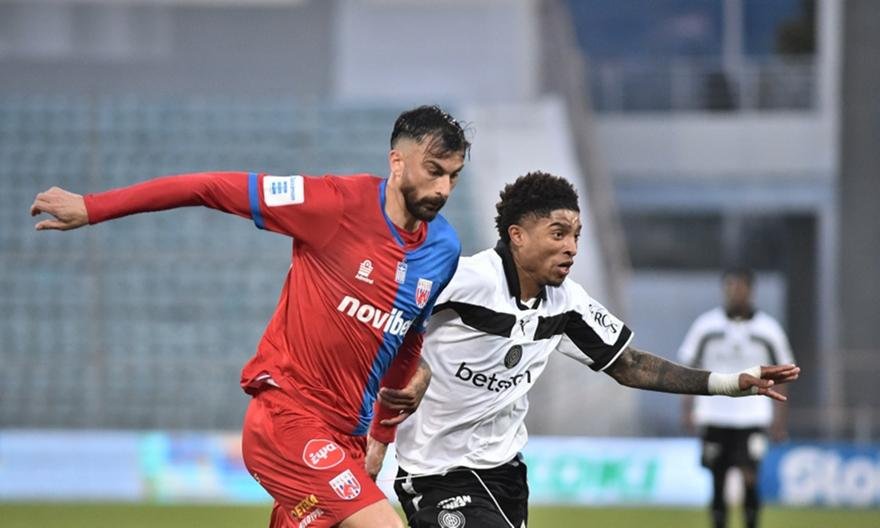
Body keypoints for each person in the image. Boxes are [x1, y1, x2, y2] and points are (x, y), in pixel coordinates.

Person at [29, 105, 470, 528]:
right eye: (434, 171)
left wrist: (380, 439)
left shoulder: (444, 249)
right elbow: (208, 187)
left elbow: (407, 338)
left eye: (454, 176)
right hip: (286, 418)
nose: (443, 189)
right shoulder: (332, 204)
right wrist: (94, 207)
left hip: (347, 439)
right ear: (397, 162)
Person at [375, 172, 799, 528]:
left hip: (505, 474)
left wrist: (728, 383)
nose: (572, 248)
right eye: (558, 233)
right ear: (517, 235)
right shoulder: (465, 279)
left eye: (576, 236)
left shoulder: (567, 302)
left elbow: (629, 364)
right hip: (436, 472)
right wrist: (415, 370)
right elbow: (385, 323)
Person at [679, 268, 795, 528]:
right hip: (713, 414)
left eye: (740, 287)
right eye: (730, 287)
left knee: (750, 477)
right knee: (717, 479)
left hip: (753, 416)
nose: (734, 293)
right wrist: (687, 409)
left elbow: (782, 375)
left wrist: (780, 420)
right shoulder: (706, 326)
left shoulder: (769, 329)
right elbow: (688, 369)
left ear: (751, 291)